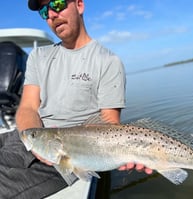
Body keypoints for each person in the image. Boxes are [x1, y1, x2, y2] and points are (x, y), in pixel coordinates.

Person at [0, 0, 152, 198]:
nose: (51, 14)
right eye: (44, 11)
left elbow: (110, 125)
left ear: (79, 5)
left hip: (64, 161)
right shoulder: (39, 56)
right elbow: (28, 107)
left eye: (58, 3)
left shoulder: (108, 62)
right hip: (32, 139)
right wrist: (37, 142)